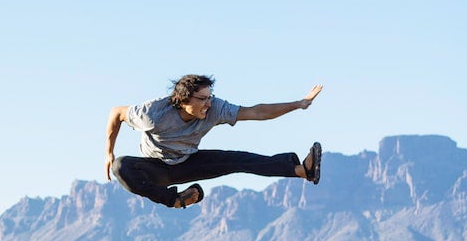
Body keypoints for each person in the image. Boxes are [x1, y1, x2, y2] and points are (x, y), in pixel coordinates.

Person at [105, 75, 324, 209]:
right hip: (156, 168)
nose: (209, 103)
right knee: (121, 166)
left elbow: (256, 112)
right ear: (183, 100)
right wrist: (109, 153)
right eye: (202, 99)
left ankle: (301, 170)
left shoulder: (215, 107)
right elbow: (116, 112)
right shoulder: (153, 113)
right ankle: (175, 200)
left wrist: (298, 103)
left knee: (237, 159)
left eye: (210, 97)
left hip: (189, 162)